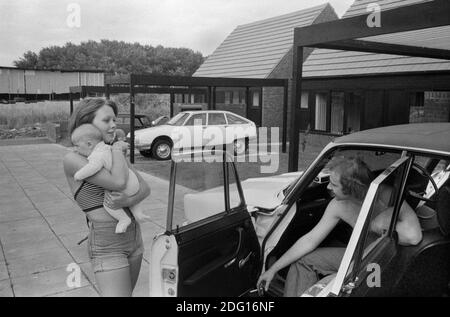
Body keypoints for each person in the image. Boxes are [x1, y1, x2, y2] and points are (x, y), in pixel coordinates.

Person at [257, 156, 423, 297]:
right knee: (304, 262)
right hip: (358, 254)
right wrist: (273, 269)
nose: (328, 187)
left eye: (334, 184)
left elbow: (414, 236)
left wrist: (376, 224)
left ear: (353, 187)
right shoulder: (338, 205)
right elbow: (310, 240)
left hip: (384, 261)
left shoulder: (387, 195)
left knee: (328, 288)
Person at [63, 98, 150, 297]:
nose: (113, 125)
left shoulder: (110, 152)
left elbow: (145, 188)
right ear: (86, 123)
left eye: (114, 120)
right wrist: (119, 152)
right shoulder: (73, 159)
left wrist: (127, 201)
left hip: (134, 235)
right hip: (107, 243)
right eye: (107, 120)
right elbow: (119, 181)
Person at [71, 123, 150, 233]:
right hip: (133, 182)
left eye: (76, 146)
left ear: (89, 144)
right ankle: (138, 214)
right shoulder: (109, 148)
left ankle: (123, 219)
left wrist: (78, 175)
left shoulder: (97, 155)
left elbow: (93, 167)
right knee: (131, 196)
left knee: (108, 203)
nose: (75, 149)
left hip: (125, 185)